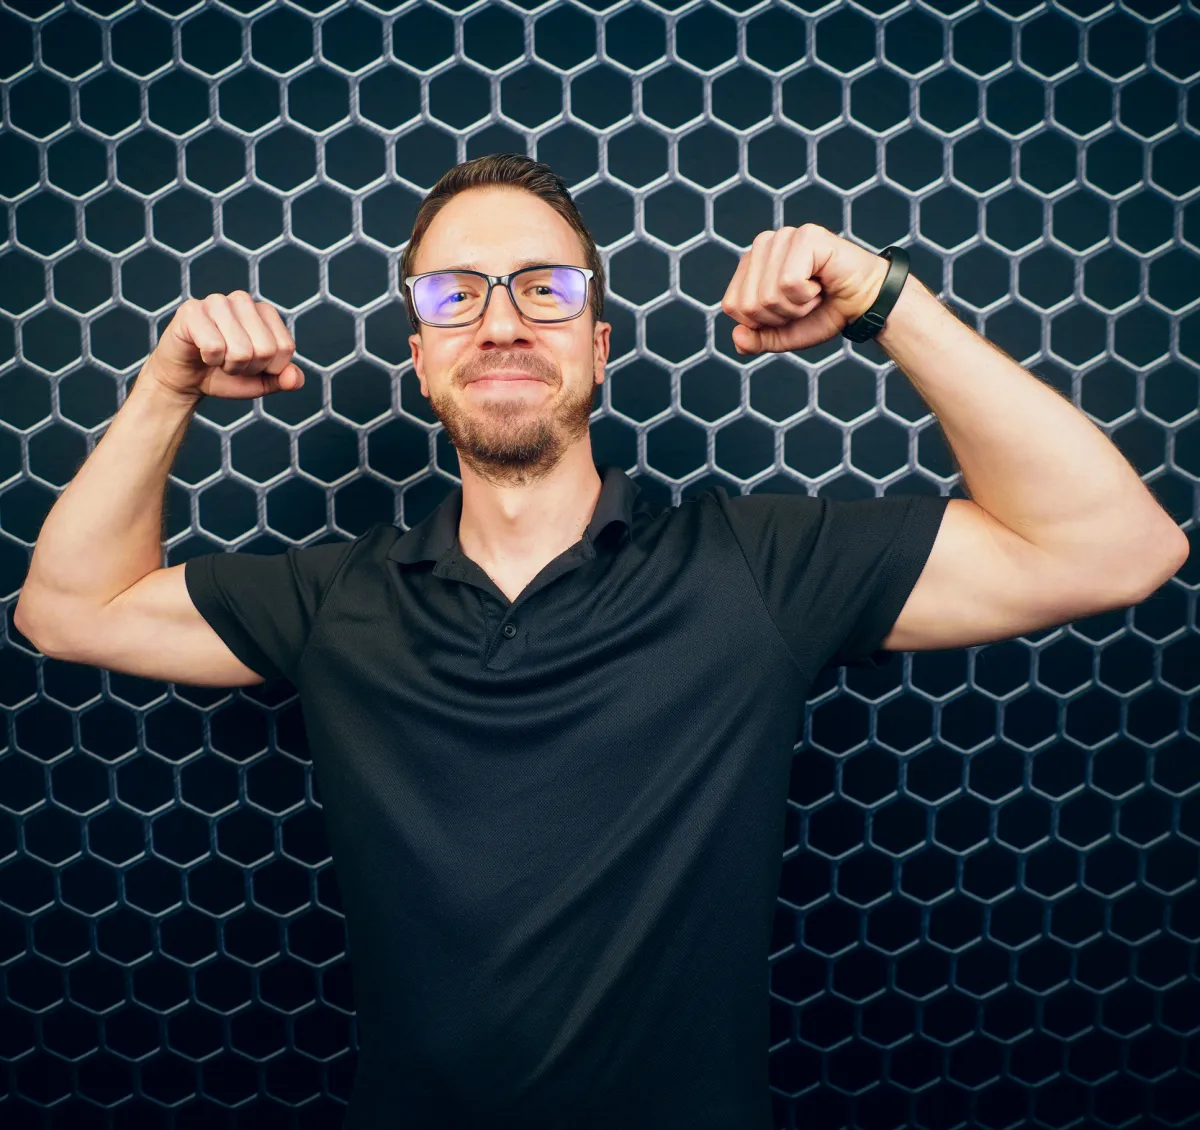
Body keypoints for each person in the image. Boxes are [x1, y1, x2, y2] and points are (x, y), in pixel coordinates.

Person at [15, 153, 1186, 1129]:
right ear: (418, 353)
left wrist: (887, 301)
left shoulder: (755, 569)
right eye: (454, 295)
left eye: (546, 289)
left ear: (601, 341)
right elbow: (66, 608)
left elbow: (1114, 548)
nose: (501, 322)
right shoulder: (333, 599)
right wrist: (165, 386)